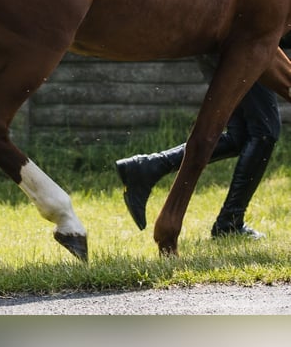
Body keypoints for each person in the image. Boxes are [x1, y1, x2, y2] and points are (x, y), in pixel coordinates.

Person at [115, 56, 281, 239]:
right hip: (246, 46)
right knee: (265, 131)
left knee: (239, 136)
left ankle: (148, 167)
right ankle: (230, 222)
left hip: (217, 49)